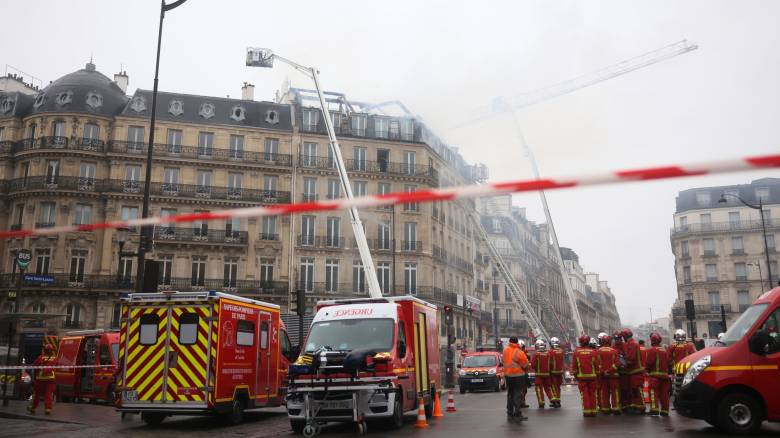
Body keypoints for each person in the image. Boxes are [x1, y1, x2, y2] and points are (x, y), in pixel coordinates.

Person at [503, 336, 529, 422]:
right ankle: (517, 413)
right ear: (517, 342)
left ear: (509, 341)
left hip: (508, 376)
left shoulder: (505, 350)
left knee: (510, 394)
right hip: (518, 376)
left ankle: (510, 413)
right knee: (517, 394)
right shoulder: (518, 351)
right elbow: (525, 364)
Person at [573, 334, 600, 417]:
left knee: (584, 395)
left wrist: (576, 375)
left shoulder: (576, 352)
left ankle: (587, 411)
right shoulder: (593, 352)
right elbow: (597, 365)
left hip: (582, 377)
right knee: (593, 394)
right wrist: (597, 374)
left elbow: (574, 367)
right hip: (592, 377)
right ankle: (594, 411)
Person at [645, 332, 671, 416]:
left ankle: (654, 409)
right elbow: (669, 361)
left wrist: (646, 370)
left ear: (652, 340)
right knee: (664, 395)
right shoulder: (664, 350)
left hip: (655, 376)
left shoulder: (652, 350)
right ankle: (665, 411)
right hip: (665, 376)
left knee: (653, 393)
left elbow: (649, 362)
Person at [27, 344, 57, 415]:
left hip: (40, 379)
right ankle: (48, 409)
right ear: (52, 351)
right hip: (50, 379)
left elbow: (34, 366)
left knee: (37, 395)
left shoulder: (40, 358)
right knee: (49, 395)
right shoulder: (55, 358)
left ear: (45, 350)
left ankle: (32, 408)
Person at [596, 332, 621, 415]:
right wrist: (609, 371)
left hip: (603, 376)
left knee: (604, 393)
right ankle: (616, 408)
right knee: (615, 392)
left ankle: (606, 408)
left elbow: (597, 364)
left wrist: (604, 371)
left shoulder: (598, 351)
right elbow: (617, 364)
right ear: (610, 341)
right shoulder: (614, 351)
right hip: (613, 376)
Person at [622, 328, 644, 414]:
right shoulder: (630, 344)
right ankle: (636, 406)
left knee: (637, 389)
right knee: (633, 390)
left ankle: (641, 407)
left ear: (625, 336)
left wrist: (623, 362)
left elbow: (631, 358)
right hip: (632, 372)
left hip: (635, 371)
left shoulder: (632, 344)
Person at [531, 339, 555, 408]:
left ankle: (541, 402)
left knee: (539, 389)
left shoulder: (536, 354)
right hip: (547, 375)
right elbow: (551, 364)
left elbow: (533, 365)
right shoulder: (548, 354)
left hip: (538, 375)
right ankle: (552, 398)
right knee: (548, 388)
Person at [613, 330, 630, 412]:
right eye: (615, 339)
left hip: (624, 372)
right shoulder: (613, 347)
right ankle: (619, 405)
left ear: (621, 338)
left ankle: (625, 405)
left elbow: (628, 357)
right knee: (617, 390)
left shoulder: (625, 346)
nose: (617, 340)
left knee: (624, 390)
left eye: (618, 338)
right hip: (616, 372)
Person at [549, 337, 564, 408]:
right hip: (560, 372)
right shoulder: (561, 351)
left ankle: (556, 401)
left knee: (554, 386)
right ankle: (559, 400)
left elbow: (550, 362)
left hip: (553, 372)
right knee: (558, 387)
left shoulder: (551, 351)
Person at [519, 340, 530, 408]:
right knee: (522, 389)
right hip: (521, 373)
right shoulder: (522, 353)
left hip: (521, 373)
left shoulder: (524, 353)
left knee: (523, 389)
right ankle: (521, 402)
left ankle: (522, 401)